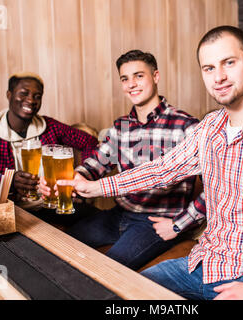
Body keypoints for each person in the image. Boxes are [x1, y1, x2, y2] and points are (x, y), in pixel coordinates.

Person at [57, 26, 243, 300]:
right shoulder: (210, 127)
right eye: (209, 68)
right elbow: (161, 170)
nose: (218, 76)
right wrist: (95, 188)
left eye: (229, 63)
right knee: (121, 293)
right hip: (204, 264)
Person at [40, 50, 206, 270]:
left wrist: (179, 224)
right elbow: (97, 163)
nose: (131, 84)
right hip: (120, 214)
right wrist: (73, 179)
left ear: (155, 76)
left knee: (107, 270)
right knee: (58, 246)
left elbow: (216, 186)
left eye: (139, 76)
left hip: (155, 222)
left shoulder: (186, 125)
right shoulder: (121, 126)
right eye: (125, 78)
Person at [0, 71, 98, 202]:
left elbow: (91, 142)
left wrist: (81, 174)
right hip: (14, 211)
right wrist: (10, 182)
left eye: (37, 96)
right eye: (24, 93)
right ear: (9, 95)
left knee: (100, 218)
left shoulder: (50, 127)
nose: (31, 100)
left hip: (52, 205)